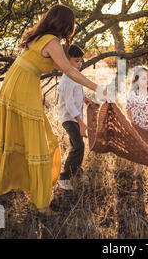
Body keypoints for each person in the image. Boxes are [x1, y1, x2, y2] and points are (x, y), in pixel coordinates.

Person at [0, 4, 106, 215]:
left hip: (14, 84)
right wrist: (97, 87)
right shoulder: (52, 42)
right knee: (38, 144)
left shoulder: (36, 37)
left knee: (28, 139)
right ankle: (41, 205)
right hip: (23, 87)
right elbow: (69, 70)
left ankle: (28, 191)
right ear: (65, 24)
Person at [57, 45, 93, 190]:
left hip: (75, 118)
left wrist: (86, 100)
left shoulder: (75, 77)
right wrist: (81, 123)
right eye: (76, 61)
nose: (80, 64)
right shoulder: (66, 80)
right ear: (66, 61)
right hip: (69, 118)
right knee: (78, 146)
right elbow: (70, 104)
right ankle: (64, 177)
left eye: (81, 61)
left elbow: (77, 95)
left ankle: (76, 171)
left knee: (77, 145)